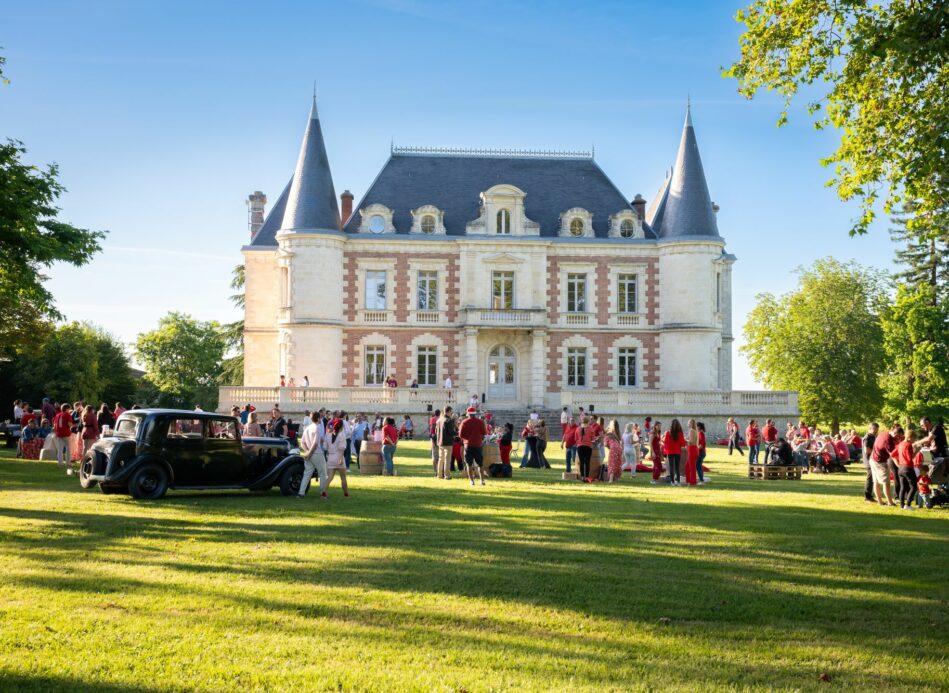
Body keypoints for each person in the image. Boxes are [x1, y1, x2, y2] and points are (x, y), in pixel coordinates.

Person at [298, 412, 327, 499]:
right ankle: (322, 493)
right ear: (318, 419)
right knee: (323, 474)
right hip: (317, 453)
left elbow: (302, 443)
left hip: (309, 453)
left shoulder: (308, 428)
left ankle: (301, 493)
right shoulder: (317, 428)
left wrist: (307, 452)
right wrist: (310, 453)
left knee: (307, 474)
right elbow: (315, 444)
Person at [870, 424, 901, 506]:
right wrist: (899, 466)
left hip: (873, 459)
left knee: (876, 481)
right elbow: (893, 456)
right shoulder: (889, 440)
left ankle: (880, 501)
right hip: (880, 462)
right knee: (886, 483)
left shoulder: (883, 433)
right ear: (894, 433)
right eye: (898, 437)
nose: (898, 439)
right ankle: (890, 502)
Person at [458, 407, 488, 486]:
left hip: (468, 445)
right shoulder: (481, 422)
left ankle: (471, 481)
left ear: (468, 414)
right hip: (478, 445)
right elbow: (485, 433)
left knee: (469, 464)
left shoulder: (464, 422)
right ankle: (482, 480)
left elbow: (460, 435)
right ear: (475, 414)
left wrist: (467, 438)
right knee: (480, 464)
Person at [894, 428, 920, 510]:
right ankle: (908, 504)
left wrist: (899, 461)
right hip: (908, 467)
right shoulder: (908, 445)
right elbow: (910, 458)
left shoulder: (900, 444)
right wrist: (916, 450)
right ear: (909, 437)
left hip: (900, 468)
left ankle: (902, 505)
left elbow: (893, 454)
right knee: (914, 487)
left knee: (903, 487)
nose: (914, 441)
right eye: (914, 439)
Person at [323, 419, 350, 497]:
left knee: (329, 478)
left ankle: (324, 492)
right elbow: (341, 448)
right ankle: (346, 494)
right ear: (341, 426)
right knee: (343, 478)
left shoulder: (328, 434)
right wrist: (341, 459)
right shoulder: (342, 435)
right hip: (339, 457)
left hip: (330, 458)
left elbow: (325, 447)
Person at [662, 419, 686, 485]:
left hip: (670, 452)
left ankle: (672, 482)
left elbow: (665, 443)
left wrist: (665, 451)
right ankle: (678, 482)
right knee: (677, 467)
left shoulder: (667, 433)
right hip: (678, 452)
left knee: (671, 467)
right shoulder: (680, 433)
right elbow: (683, 443)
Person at [435, 406, 456, 480]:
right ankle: (447, 475)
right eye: (451, 412)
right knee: (447, 459)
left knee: (441, 459)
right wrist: (457, 433)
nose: (451, 413)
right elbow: (451, 432)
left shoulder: (438, 420)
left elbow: (436, 432)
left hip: (440, 442)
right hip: (448, 442)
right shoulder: (448, 420)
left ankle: (439, 474)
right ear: (449, 411)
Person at [575, 415, 596, 479]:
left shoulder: (578, 428)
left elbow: (576, 438)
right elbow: (593, 438)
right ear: (588, 421)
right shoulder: (590, 428)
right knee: (587, 462)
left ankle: (582, 476)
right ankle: (586, 476)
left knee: (581, 461)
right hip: (588, 446)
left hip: (580, 446)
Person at [862, 423, 878, 502]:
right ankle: (867, 497)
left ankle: (870, 496)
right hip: (868, 461)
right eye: (874, 429)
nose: (876, 431)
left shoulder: (873, 437)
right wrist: (877, 451)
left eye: (877, 429)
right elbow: (867, 450)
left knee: (872, 479)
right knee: (870, 478)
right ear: (870, 429)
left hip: (872, 460)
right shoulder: (867, 437)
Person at [684, 419, 699, 486]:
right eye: (688, 422)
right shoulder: (694, 431)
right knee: (687, 467)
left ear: (692, 424)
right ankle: (688, 481)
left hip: (692, 449)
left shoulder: (691, 431)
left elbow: (691, 442)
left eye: (690, 423)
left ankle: (692, 482)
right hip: (693, 449)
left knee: (691, 467)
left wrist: (684, 440)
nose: (688, 424)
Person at [428, 409, 441, 475]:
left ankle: (435, 470)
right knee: (439, 456)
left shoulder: (432, 419)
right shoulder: (441, 419)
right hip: (439, 438)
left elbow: (430, 426)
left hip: (433, 438)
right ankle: (439, 470)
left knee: (434, 455)